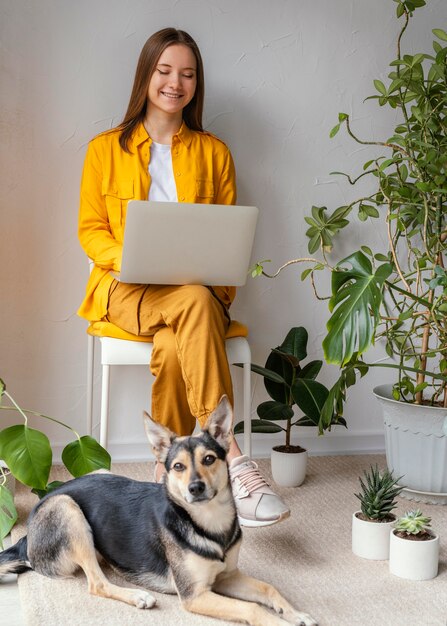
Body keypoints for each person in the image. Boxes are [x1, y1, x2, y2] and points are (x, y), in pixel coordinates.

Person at [78, 27, 289, 527]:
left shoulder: (215, 153)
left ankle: (167, 473)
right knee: (192, 300)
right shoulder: (104, 149)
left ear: (197, 84)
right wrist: (131, 260)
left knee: (183, 327)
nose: (176, 82)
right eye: (165, 70)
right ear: (146, 75)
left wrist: (207, 284)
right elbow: (90, 231)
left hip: (195, 295)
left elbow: (227, 239)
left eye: (188, 74)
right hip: (127, 292)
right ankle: (231, 458)